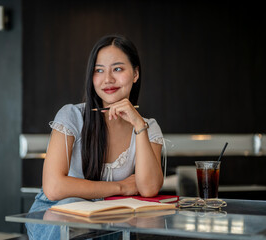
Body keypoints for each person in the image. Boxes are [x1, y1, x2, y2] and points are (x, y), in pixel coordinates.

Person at [26, 34, 165, 239]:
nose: (108, 79)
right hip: (56, 213)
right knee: (72, 208)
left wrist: (138, 125)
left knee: (118, 221)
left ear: (135, 74)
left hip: (107, 217)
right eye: (99, 70)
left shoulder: (147, 126)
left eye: (117, 69)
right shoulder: (72, 115)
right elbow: (54, 188)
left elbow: (149, 188)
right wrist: (120, 187)